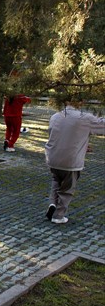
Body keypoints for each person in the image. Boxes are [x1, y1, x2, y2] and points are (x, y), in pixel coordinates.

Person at [44, 95, 104, 224]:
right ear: (81, 102)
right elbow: (102, 126)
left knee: (56, 181)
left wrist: (82, 144)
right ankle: (58, 216)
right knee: (67, 188)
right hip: (70, 161)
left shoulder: (55, 116)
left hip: (53, 158)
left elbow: (55, 135)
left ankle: (52, 204)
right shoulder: (85, 118)